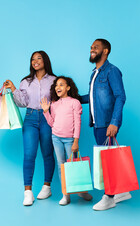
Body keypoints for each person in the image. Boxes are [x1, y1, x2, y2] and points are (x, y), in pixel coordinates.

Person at [80, 38, 131, 211]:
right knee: (108, 157)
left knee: (106, 160)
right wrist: (75, 98)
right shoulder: (94, 73)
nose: (92, 49)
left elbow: (120, 96)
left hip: (107, 123)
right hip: (97, 123)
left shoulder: (112, 71)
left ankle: (109, 197)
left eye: (96, 47)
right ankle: (121, 191)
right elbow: (93, 97)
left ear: (106, 51)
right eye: (91, 47)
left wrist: (114, 122)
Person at [4, 51, 56, 206]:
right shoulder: (25, 82)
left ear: (45, 60)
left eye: (38, 58)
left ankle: (47, 187)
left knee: (47, 153)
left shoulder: (54, 80)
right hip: (30, 118)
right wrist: (14, 88)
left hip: (47, 118)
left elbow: (59, 99)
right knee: (29, 154)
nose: (35, 61)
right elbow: (22, 103)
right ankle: (28, 192)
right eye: (33, 59)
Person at [40, 76, 93, 206]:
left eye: (62, 85)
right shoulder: (54, 104)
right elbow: (52, 123)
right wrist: (46, 111)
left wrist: (76, 141)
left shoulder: (75, 102)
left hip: (70, 139)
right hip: (56, 137)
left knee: (73, 165)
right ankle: (66, 194)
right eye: (57, 85)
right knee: (61, 165)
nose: (58, 87)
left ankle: (81, 190)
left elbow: (78, 123)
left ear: (68, 87)